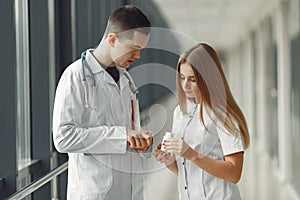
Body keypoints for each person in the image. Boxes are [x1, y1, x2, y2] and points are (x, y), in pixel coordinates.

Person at [52, 5, 153, 200]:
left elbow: (128, 131)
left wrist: (140, 140)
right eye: (134, 48)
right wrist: (121, 136)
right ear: (112, 39)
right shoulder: (75, 76)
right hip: (96, 191)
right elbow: (63, 137)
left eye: (141, 50)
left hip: (130, 191)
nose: (138, 56)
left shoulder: (126, 79)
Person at [152, 43, 250, 199]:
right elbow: (190, 174)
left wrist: (192, 154)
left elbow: (234, 173)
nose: (185, 85)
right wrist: (169, 160)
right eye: (182, 77)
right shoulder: (180, 112)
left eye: (193, 80)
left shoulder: (222, 114)